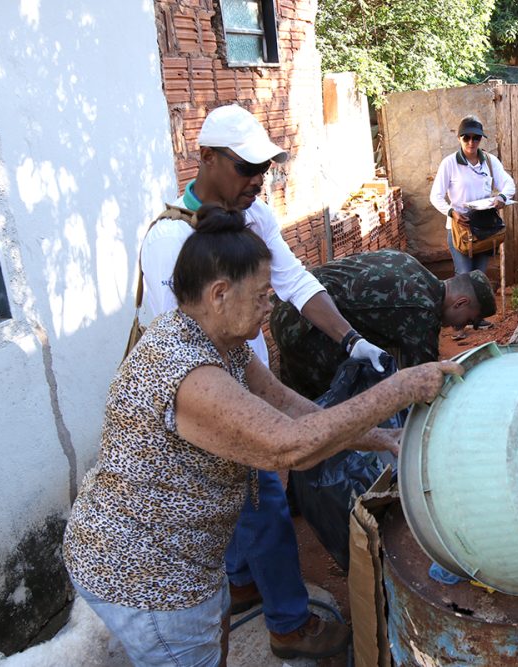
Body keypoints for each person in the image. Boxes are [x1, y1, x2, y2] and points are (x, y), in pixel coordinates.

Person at [64, 206, 463, 666]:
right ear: (219, 294)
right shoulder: (187, 373)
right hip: (147, 572)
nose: (270, 307)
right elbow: (288, 445)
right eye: (261, 296)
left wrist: (382, 437)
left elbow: (288, 404)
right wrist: (399, 389)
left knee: (213, 637)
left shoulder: (215, 342)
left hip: (186, 558)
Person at [139, 104, 389, 659]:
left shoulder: (253, 216)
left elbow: (294, 281)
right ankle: (288, 623)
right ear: (206, 158)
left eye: (265, 169)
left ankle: (244, 581)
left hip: (241, 375)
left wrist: (352, 341)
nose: (258, 180)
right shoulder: (168, 241)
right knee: (263, 497)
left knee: (240, 494)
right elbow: (183, 350)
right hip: (205, 396)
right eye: (247, 167)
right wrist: (381, 410)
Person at [270, 249, 496, 399]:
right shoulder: (421, 313)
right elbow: (422, 383)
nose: (459, 328)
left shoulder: (411, 265)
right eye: (467, 320)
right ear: (461, 302)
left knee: (300, 403)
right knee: (329, 408)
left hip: (293, 303)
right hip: (306, 325)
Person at [429, 115, 516, 330]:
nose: (471, 142)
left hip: (485, 227)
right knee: (463, 276)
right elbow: (435, 196)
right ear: (459, 138)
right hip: (461, 227)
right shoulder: (450, 163)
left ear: (480, 139)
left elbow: (509, 183)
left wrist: (502, 198)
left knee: (478, 276)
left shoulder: (489, 160)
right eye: (466, 137)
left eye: (476, 138)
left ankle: (476, 319)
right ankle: (457, 323)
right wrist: (451, 212)